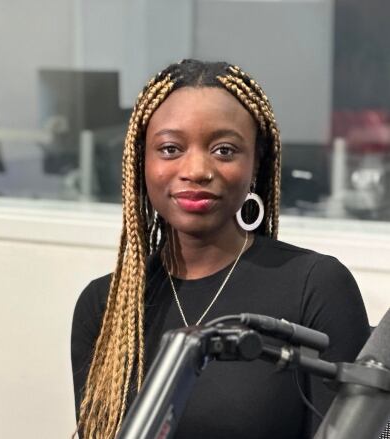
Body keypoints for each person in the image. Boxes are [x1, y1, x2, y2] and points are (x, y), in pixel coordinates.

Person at [70, 59, 370, 439]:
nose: (196, 169)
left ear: (256, 163)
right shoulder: (105, 307)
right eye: (170, 148)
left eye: (225, 150)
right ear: (140, 160)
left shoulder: (315, 286)